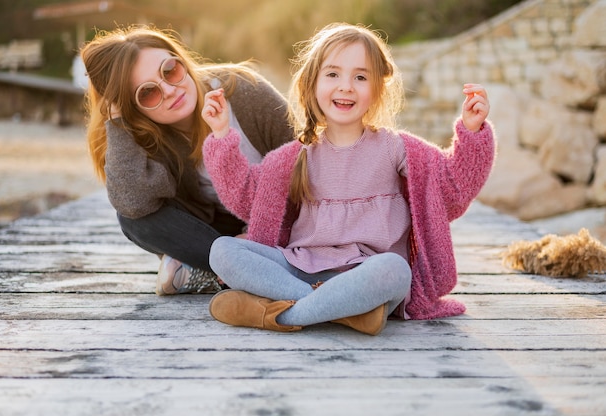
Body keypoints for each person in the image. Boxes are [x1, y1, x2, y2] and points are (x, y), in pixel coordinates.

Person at [200, 23, 496, 335]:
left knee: (395, 270)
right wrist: (221, 134)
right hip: (301, 269)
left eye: (360, 76)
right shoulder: (295, 157)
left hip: (367, 275)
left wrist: (472, 131)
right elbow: (247, 198)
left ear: (378, 89)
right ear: (311, 83)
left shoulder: (396, 148)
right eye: (332, 74)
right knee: (222, 250)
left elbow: (450, 187)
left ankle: (283, 315)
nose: (346, 86)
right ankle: (341, 312)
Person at [80, 26, 294, 295]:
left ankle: (217, 268)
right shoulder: (146, 134)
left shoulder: (244, 91)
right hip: (217, 232)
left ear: (180, 58)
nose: (170, 90)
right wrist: (117, 120)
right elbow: (132, 203)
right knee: (133, 219)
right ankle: (237, 265)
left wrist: (257, 234)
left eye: (170, 70)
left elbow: (306, 158)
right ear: (132, 109)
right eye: (148, 93)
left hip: (283, 218)